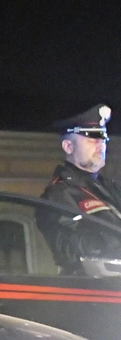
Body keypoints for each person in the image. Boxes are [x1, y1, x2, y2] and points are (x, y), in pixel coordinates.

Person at [36, 103, 121, 276]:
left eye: (103, 138)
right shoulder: (58, 195)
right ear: (69, 147)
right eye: (92, 138)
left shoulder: (111, 188)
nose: (100, 145)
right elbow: (71, 251)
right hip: (93, 292)